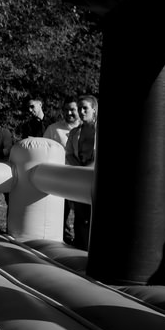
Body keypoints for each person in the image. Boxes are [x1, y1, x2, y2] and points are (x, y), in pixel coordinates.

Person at [45, 100, 80, 243]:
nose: (68, 113)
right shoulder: (54, 129)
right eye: (65, 109)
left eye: (72, 109)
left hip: (81, 176)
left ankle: (81, 241)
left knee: (81, 213)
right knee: (61, 212)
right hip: (60, 178)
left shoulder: (89, 129)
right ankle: (64, 239)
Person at [65, 95, 97, 250]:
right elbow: (69, 154)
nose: (81, 111)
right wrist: (79, 170)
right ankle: (81, 248)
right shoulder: (74, 133)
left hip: (97, 178)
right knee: (80, 217)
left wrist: (87, 169)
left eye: (85, 108)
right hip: (80, 178)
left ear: (94, 110)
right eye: (79, 108)